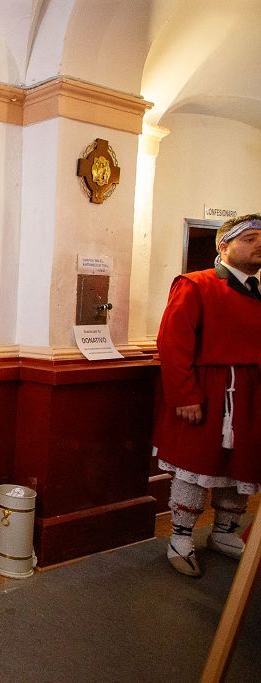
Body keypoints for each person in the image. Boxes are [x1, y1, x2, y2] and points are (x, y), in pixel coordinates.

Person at [154, 213, 261, 577]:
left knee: (240, 465)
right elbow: (173, 342)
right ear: (224, 246)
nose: (258, 245)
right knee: (195, 465)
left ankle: (225, 532)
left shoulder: (257, 293)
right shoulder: (195, 284)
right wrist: (185, 395)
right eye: (249, 239)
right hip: (207, 393)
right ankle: (180, 538)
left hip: (249, 396)